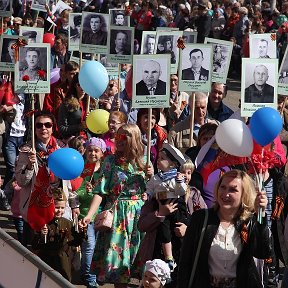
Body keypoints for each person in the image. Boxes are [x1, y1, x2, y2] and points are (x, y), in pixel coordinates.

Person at [81, 124, 152, 287]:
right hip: (117, 215)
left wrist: (150, 177)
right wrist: (89, 215)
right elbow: (100, 191)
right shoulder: (110, 161)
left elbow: (151, 191)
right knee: (118, 264)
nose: (118, 139)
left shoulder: (144, 161)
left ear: (134, 138)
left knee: (137, 263)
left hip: (138, 214)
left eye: (124, 135)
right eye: (117, 135)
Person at [178, 169, 271, 288]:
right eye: (223, 187)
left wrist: (261, 217)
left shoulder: (249, 222)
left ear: (244, 194)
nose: (225, 194)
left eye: (233, 189)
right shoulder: (201, 218)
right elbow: (185, 261)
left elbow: (262, 253)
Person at [145, 143, 188, 271]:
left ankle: (181, 252)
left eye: (162, 158)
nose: (158, 160)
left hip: (175, 203)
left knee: (178, 227)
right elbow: (150, 188)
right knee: (164, 231)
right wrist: (147, 195)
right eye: (158, 158)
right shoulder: (156, 178)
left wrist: (180, 182)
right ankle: (169, 257)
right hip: (161, 204)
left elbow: (182, 192)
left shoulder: (176, 177)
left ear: (173, 164)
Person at [32, 188, 85, 281]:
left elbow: (75, 242)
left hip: (63, 263)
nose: (60, 210)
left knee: (63, 282)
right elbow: (35, 245)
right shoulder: (43, 223)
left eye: (62, 208)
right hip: (47, 261)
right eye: (57, 207)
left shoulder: (68, 223)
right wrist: (41, 235)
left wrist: (81, 231)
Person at [77, 138, 107, 288]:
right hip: (83, 214)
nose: (92, 153)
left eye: (96, 150)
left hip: (100, 215)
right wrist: (84, 191)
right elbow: (74, 190)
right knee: (89, 245)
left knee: (96, 247)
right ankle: (90, 277)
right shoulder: (80, 168)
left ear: (102, 153)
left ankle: (85, 272)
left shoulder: (105, 170)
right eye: (90, 150)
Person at [57, 73, 89, 140]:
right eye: (79, 85)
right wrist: (79, 126)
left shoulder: (91, 103)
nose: (83, 88)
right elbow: (62, 128)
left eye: (85, 85)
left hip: (88, 140)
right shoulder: (67, 104)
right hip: (72, 141)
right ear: (75, 85)